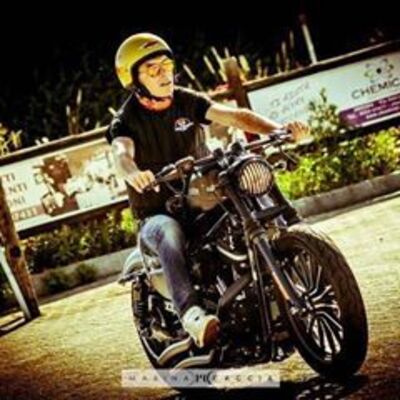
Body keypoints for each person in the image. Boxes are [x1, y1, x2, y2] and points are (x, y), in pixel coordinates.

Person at [106, 33, 309, 348]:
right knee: (168, 231)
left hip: (200, 198)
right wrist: (133, 174)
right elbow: (120, 153)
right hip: (158, 212)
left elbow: (234, 116)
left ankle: (301, 254)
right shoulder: (126, 120)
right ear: (134, 80)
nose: (164, 74)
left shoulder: (186, 100)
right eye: (152, 69)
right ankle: (192, 315)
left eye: (166, 65)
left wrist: (278, 130)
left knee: (249, 189)